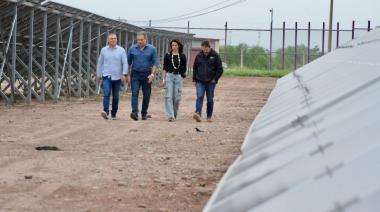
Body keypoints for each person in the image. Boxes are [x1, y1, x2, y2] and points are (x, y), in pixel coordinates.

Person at [126, 31, 159, 121]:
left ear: (145, 39)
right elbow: (128, 63)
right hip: (135, 74)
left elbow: (155, 63)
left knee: (146, 95)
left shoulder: (152, 49)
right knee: (135, 93)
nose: (139, 41)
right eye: (138, 40)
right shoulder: (132, 49)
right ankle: (135, 113)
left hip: (147, 74)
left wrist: (152, 74)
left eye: (141, 39)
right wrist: (128, 75)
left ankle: (144, 113)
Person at [96, 33, 128, 120]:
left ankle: (114, 113)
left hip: (117, 77)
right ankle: (105, 111)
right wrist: (98, 75)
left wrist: (124, 74)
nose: (113, 40)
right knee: (106, 93)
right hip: (107, 76)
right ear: (108, 40)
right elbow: (100, 63)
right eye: (111, 38)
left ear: (117, 40)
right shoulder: (103, 50)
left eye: (115, 38)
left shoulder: (121, 50)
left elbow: (125, 63)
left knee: (116, 96)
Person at [192, 40, 223, 122]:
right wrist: (194, 79)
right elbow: (195, 68)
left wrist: (215, 79)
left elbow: (220, 69)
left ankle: (209, 116)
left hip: (210, 82)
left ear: (209, 47)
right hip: (200, 81)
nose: (205, 50)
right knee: (200, 96)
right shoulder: (199, 56)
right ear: (202, 48)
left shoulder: (215, 55)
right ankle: (198, 113)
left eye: (206, 48)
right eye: (203, 48)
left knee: (209, 99)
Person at [162, 39, 187, 122]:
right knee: (168, 96)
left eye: (175, 45)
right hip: (169, 76)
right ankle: (170, 116)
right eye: (172, 45)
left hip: (178, 77)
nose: (174, 47)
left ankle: (174, 113)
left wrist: (182, 76)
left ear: (178, 46)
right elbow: (164, 68)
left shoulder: (182, 56)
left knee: (176, 98)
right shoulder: (168, 55)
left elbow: (184, 68)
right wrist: (163, 78)